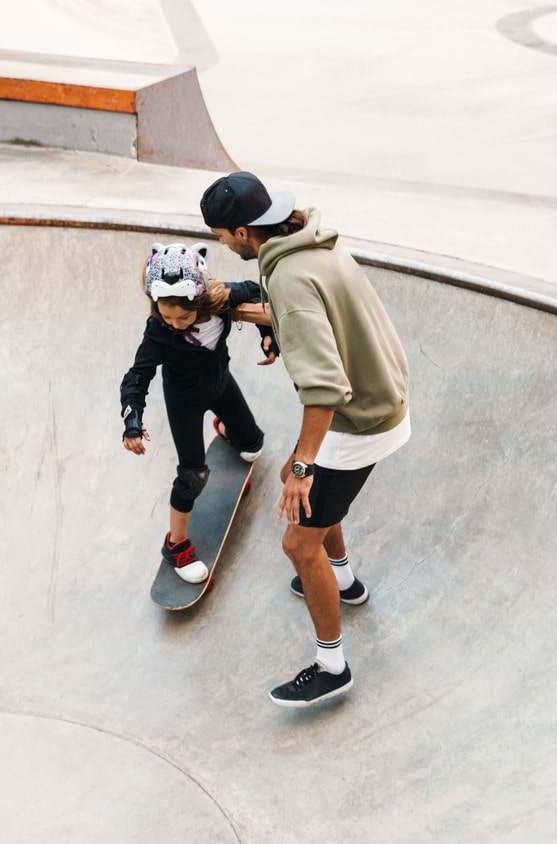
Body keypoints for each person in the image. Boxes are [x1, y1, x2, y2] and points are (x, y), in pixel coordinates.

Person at [201, 171, 410, 708]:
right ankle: (344, 582)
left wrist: (302, 465)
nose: (222, 244)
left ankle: (332, 665)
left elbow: (323, 388)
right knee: (309, 494)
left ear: (244, 231)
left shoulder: (289, 280)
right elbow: (304, 319)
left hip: (357, 416)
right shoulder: (308, 247)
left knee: (297, 539)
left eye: (223, 234)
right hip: (381, 393)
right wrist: (243, 314)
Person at [121, 242, 277, 583]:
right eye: (167, 314)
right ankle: (176, 545)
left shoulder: (222, 299)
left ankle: (228, 429)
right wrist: (132, 423)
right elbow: (136, 377)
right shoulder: (158, 332)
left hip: (221, 384)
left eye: (183, 315)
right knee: (193, 477)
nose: (174, 323)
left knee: (253, 446)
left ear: (200, 299)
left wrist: (268, 335)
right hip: (184, 401)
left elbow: (260, 293)